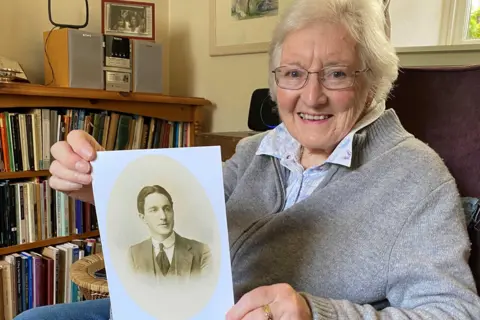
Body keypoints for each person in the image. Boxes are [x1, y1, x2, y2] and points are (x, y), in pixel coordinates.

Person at [15, 0, 480, 319]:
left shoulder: (415, 176)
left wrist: (316, 311)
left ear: (374, 84)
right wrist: (98, 183)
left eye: (336, 74)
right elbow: (188, 211)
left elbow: (454, 311)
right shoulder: (260, 149)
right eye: (293, 74)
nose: (311, 96)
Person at [129, 184, 212, 279]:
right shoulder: (133, 255)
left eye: (167, 209)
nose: (163, 216)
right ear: (143, 218)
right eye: (154, 210)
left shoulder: (201, 251)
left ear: (173, 211)